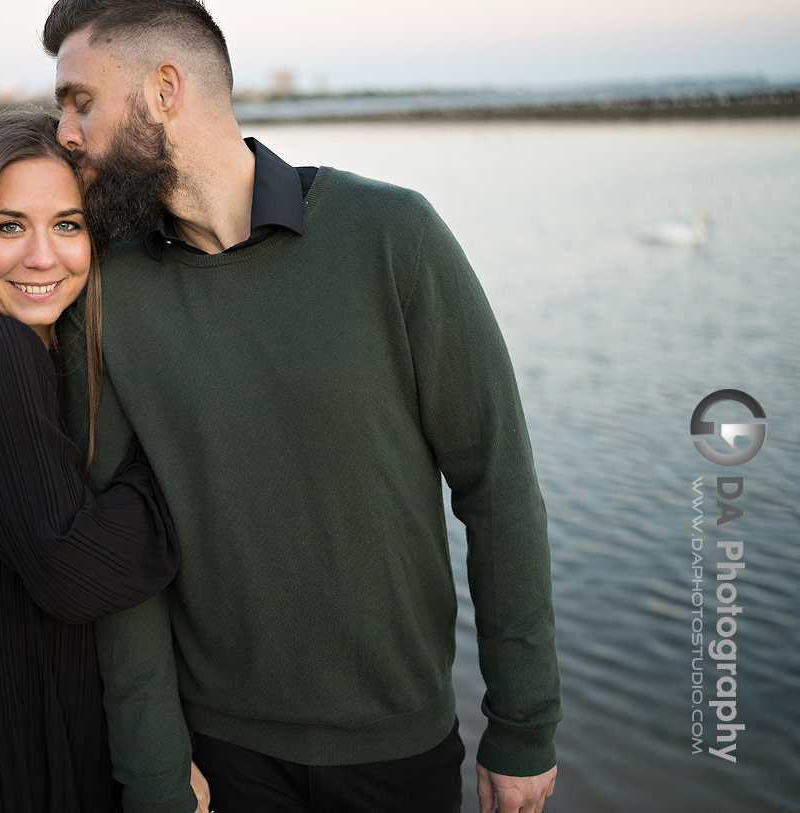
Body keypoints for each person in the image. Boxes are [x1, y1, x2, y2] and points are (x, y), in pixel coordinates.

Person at [45, 2, 563, 812]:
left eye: (81, 100)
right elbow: (122, 556)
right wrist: (152, 765)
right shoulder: (109, 292)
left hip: (400, 745)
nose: (65, 133)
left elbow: (497, 483)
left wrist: (524, 721)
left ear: (166, 88)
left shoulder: (391, 235)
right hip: (222, 757)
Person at [0, 109, 194, 812]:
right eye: (10, 226)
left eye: (69, 225)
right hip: (18, 772)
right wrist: (183, 448)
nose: (43, 257)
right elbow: (71, 568)